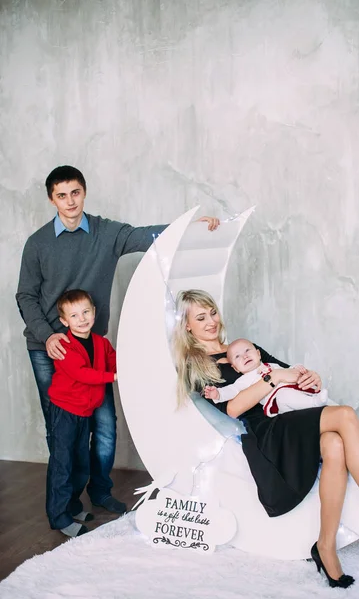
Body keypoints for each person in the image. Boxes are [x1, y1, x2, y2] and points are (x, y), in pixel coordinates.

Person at [16, 165, 220, 514]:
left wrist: (188, 229)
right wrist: (47, 335)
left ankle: (100, 491)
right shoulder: (37, 244)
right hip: (48, 346)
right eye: (62, 195)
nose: (70, 201)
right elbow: (26, 296)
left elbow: (146, 236)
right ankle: (64, 502)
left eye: (75, 193)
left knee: (105, 427)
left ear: (84, 192)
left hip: (92, 345)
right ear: (52, 199)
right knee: (62, 432)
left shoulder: (106, 233)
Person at [173, 289, 359, 589]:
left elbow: (287, 371)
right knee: (344, 416)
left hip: (287, 412)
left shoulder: (243, 347)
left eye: (212, 312)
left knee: (335, 442)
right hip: (265, 431)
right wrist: (271, 380)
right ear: (187, 325)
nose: (211, 321)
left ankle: (325, 546)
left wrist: (309, 378)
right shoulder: (197, 363)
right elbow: (232, 408)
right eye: (200, 317)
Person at [47, 289, 117, 538]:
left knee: (81, 465)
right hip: (65, 412)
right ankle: (59, 517)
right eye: (74, 315)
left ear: (94, 312)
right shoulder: (64, 346)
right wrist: (114, 377)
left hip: (84, 412)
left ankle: (73, 506)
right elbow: (82, 375)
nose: (82, 318)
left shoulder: (101, 343)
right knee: (62, 465)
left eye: (86, 311)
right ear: (65, 321)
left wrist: (129, 365)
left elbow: (114, 360)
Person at [204, 338, 328, 416]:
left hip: (294, 390)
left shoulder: (271, 365)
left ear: (258, 354)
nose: (244, 356)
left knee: (301, 389)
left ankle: (315, 398)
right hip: (278, 401)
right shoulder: (245, 380)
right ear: (236, 369)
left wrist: (300, 369)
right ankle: (314, 402)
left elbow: (288, 370)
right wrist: (218, 394)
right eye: (237, 357)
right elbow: (232, 390)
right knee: (285, 396)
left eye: (247, 351)